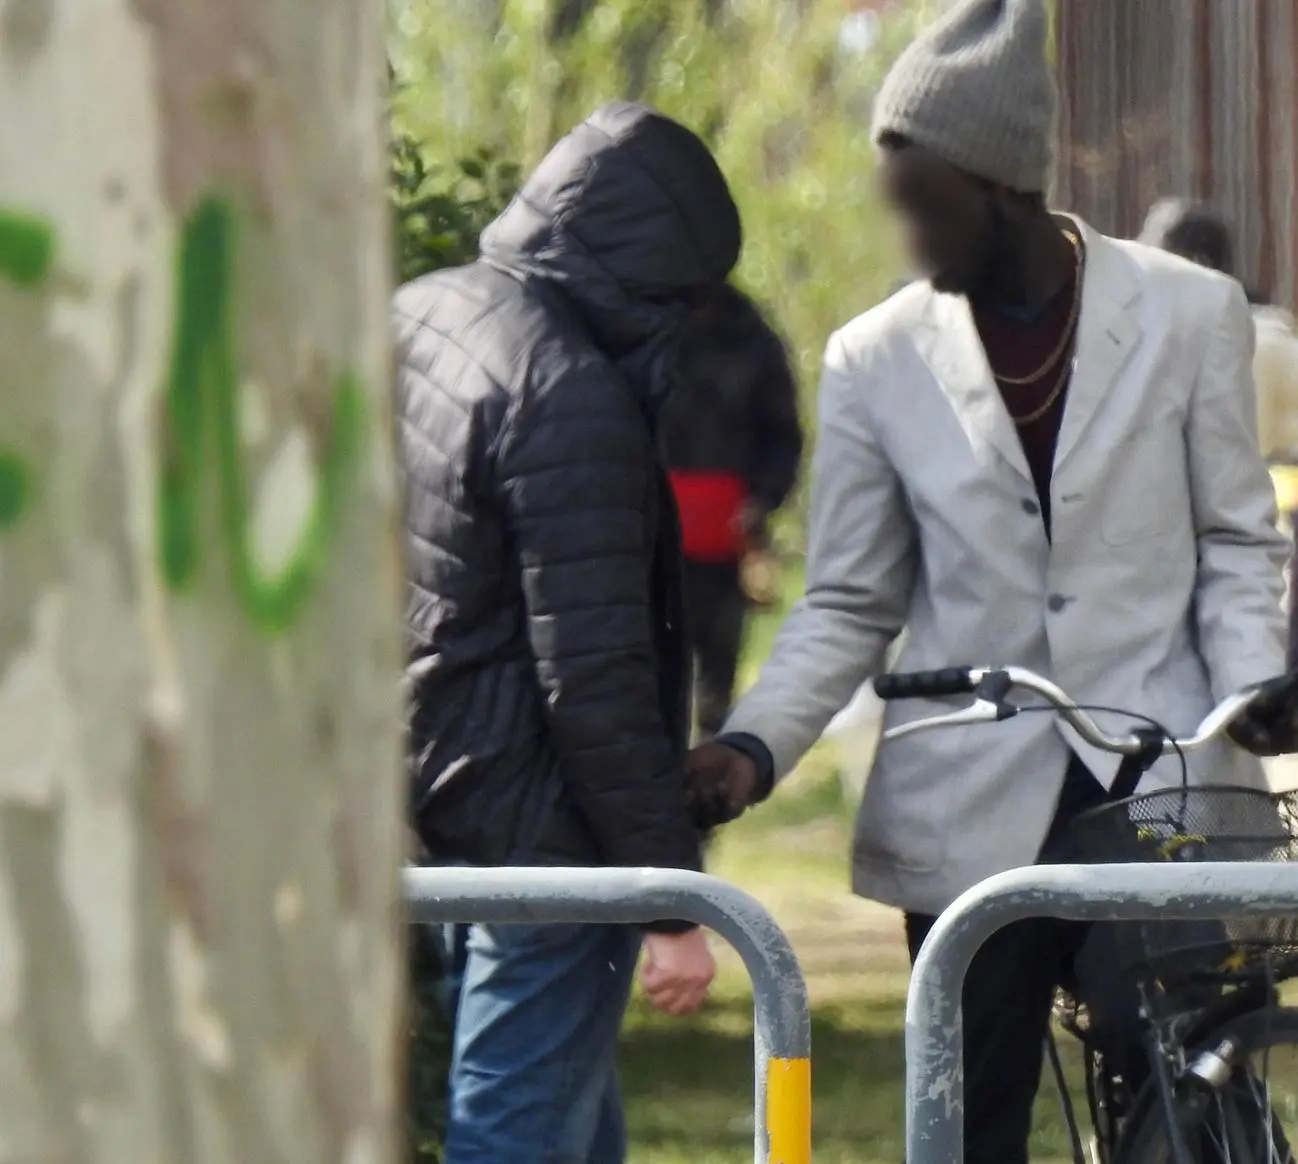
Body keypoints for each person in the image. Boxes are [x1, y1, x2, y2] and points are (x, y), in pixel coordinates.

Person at [684, 2, 1297, 1162]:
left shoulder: (1186, 314)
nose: (902, 230)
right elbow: (849, 599)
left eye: (923, 201)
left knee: (1175, 1071)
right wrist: (752, 744)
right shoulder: (873, 357)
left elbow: (1231, 537)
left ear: (1001, 183)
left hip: (1152, 771)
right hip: (966, 786)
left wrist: (1254, 678)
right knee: (967, 1110)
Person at [395, 100, 742, 1164]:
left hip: (426, 791)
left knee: (566, 1128)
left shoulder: (422, 313)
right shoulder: (568, 392)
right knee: (512, 1135)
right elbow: (593, 675)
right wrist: (665, 898)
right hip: (544, 835)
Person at [1140, 199, 1298, 666]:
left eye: (1157, 257)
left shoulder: (1258, 343)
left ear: (1197, 265)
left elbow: (1234, 471)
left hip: (1275, 550)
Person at [659, 285, 803, 738]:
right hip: (650, 531)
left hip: (727, 532)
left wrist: (761, 501)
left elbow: (782, 434)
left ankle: (710, 763)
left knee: (718, 662)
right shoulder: (640, 326)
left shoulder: (752, 338)